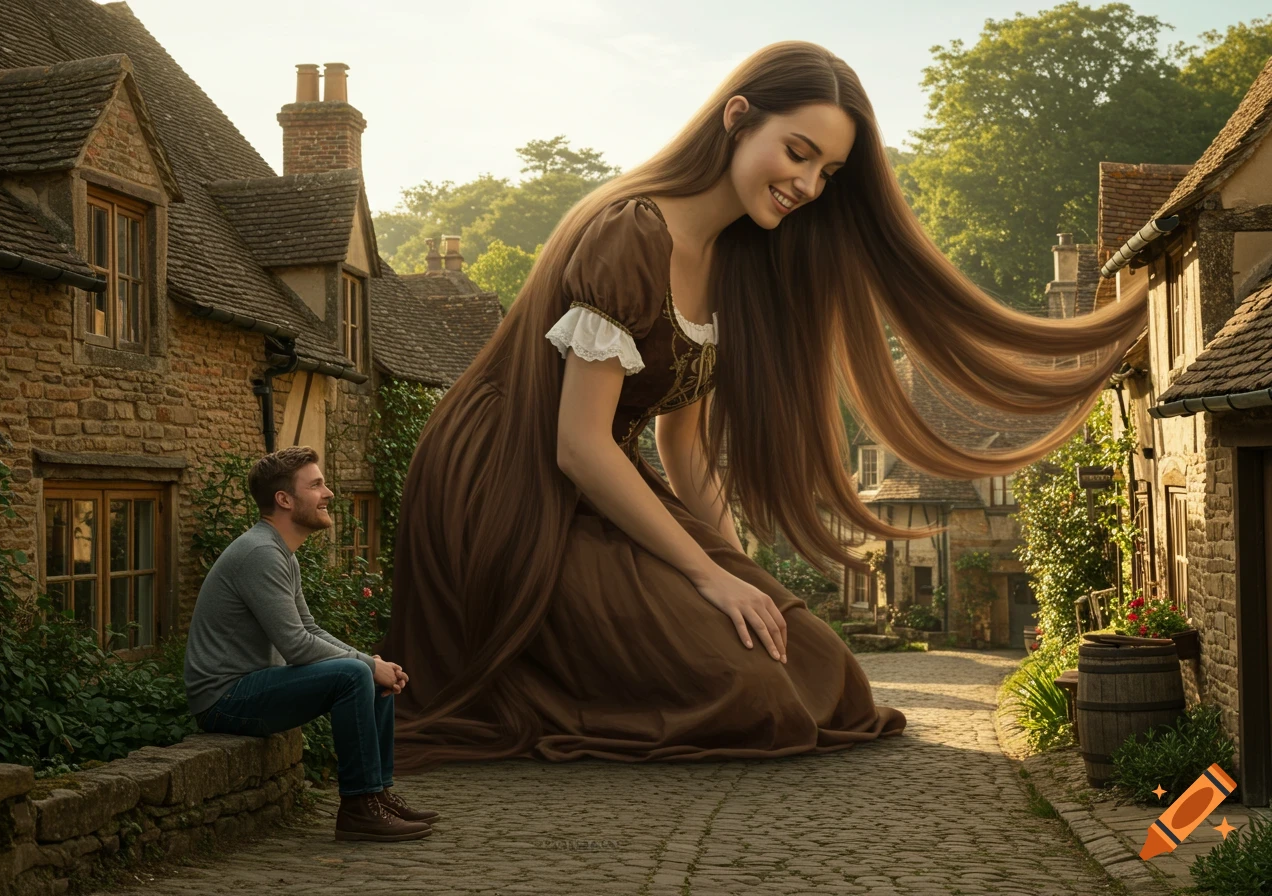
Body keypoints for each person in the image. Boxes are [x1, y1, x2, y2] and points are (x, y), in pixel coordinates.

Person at [377, 41, 1146, 772]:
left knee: (822, 672)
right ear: (738, 117)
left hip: (599, 481)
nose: (808, 186)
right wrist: (708, 580)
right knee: (748, 693)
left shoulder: (739, 260)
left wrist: (737, 572)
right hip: (506, 484)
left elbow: (683, 445)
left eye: (828, 172)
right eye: (798, 153)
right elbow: (577, 443)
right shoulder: (629, 232)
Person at [183, 446, 441, 841]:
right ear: (284, 499)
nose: (329, 493)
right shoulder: (261, 553)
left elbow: (309, 629)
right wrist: (366, 665)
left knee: (367, 674)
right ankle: (358, 808)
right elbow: (297, 646)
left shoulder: (281, 553)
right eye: (316, 485)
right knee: (356, 674)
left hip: (252, 686)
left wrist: (371, 662)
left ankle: (377, 794)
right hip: (225, 699)